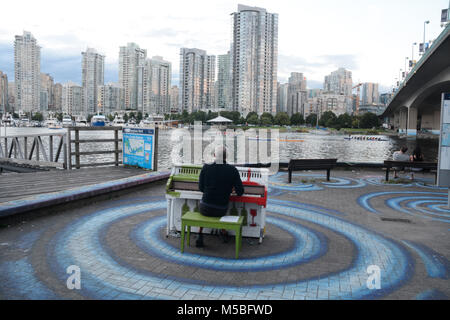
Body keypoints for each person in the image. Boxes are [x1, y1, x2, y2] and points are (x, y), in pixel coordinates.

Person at [196, 145, 244, 247]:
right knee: (221, 206)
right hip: (221, 209)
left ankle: (200, 233)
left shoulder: (206, 167)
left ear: (214, 155)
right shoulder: (232, 170)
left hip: (205, 208)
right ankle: (223, 232)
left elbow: (201, 188)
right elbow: (240, 192)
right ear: (226, 157)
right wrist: (231, 189)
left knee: (205, 204)